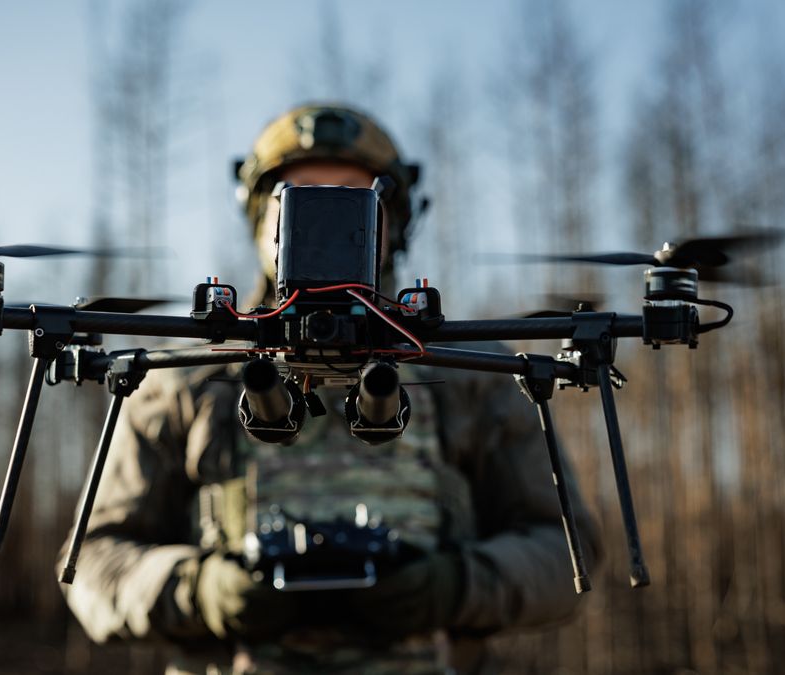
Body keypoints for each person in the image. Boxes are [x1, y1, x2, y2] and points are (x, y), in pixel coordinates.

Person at [59, 103, 601, 674]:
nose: (325, 219)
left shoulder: (473, 373)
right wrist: (203, 591)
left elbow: (567, 551)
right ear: (260, 222)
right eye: (296, 199)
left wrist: (455, 586)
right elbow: (91, 565)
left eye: (354, 201)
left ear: (393, 224)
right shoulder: (185, 378)